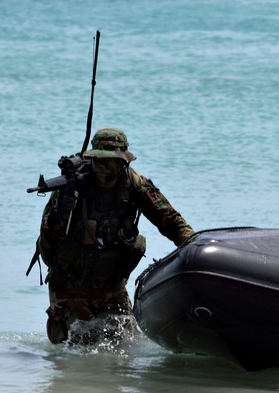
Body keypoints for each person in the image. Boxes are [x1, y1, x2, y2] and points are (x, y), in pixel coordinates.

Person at [36, 127, 195, 344]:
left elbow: (170, 221)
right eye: (98, 159)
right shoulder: (70, 188)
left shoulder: (134, 184)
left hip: (112, 285)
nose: (102, 165)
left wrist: (193, 246)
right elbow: (48, 244)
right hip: (71, 282)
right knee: (74, 346)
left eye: (109, 160)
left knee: (126, 343)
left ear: (123, 162)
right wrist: (62, 210)